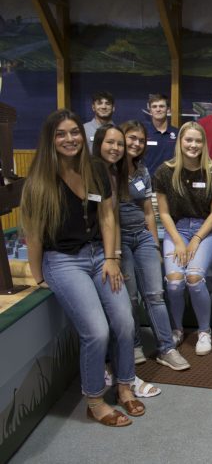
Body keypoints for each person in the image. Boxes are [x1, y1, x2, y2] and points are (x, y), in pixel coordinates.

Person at [21, 109, 139, 427]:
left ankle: (125, 385)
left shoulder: (96, 170)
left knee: (125, 322)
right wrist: (39, 277)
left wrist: (113, 258)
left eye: (74, 132)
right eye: (61, 134)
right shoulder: (38, 182)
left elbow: (107, 217)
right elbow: (33, 235)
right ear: (50, 139)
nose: (69, 139)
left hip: (100, 255)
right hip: (62, 260)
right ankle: (95, 400)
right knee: (97, 331)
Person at [117, 120, 190, 371]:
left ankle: (166, 348)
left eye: (140, 139)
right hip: (119, 240)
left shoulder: (142, 171)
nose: (136, 143)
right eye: (131, 138)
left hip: (143, 237)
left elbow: (148, 211)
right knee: (130, 297)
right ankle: (135, 344)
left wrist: (155, 244)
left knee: (155, 295)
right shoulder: (106, 171)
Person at [153, 122, 212, 356]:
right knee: (173, 282)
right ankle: (177, 329)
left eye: (198, 141)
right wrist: (180, 241)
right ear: (180, 142)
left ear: (204, 143)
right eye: (188, 140)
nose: (193, 145)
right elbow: (163, 213)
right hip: (176, 229)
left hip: (205, 229)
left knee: (193, 277)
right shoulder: (165, 171)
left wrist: (196, 239)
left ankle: (204, 331)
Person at [143, 93, 178, 176]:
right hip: (149, 183)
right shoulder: (143, 133)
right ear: (150, 111)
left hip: (171, 182)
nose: (158, 109)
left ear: (168, 109)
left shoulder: (178, 133)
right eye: (154, 107)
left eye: (161, 106)